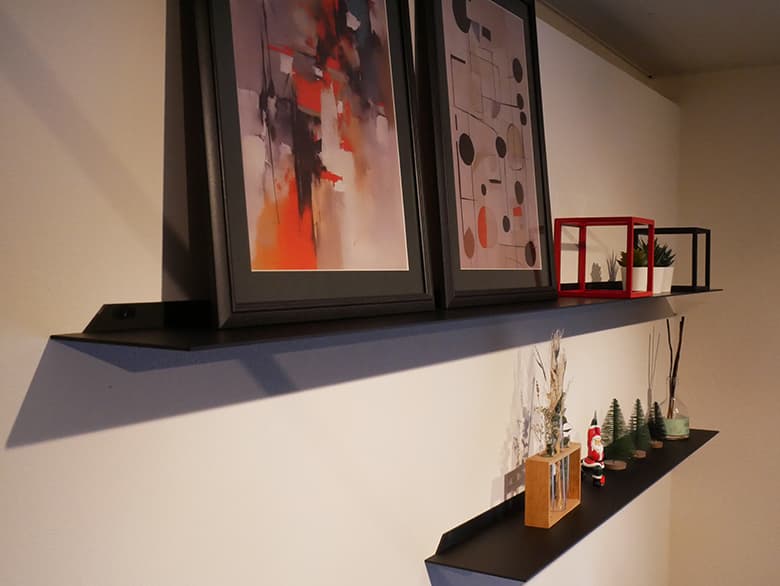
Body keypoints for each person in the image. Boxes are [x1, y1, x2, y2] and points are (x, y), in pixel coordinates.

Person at [581, 412, 606, 487]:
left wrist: (596, 425)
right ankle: (596, 481)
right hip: (591, 461)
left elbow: (598, 433)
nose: (598, 442)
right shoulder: (591, 444)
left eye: (599, 441)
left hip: (599, 462)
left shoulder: (600, 447)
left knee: (599, 469)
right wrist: (592, 425)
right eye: (596, 441)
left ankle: (598, 479)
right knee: (598, 469)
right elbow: (590, 434)